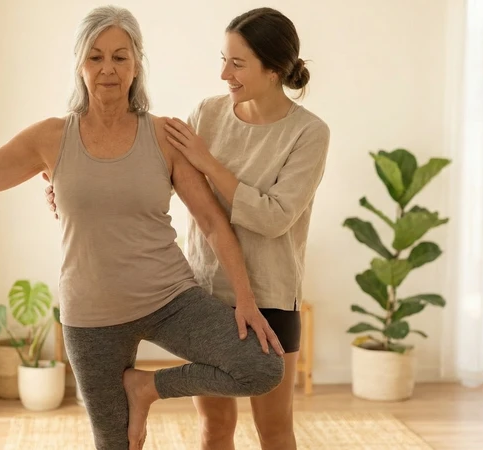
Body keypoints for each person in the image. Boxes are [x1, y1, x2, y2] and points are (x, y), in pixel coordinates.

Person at [0, 6, 286, 450]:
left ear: (137, 64)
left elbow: (212, 221)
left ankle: (145, 387)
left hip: (169, 299)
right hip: (92, 317)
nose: (108, 69)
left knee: (262, 366)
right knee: (116, 444)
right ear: (80, 64)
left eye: (120, 57)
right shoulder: (51, 138)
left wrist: (245, 299)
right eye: (95, 57)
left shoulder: (164, 135)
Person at [43, 7, 330, 450]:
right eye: (224, 59)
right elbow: (152, 182)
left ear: (273, 69)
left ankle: (148, 387)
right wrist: (75, 193)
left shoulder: (308, 133)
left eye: (237, 64)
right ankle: (146, 389)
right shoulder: (207, 114)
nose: (224, 74)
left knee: (274, 430)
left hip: (270, 293)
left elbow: (274, 217)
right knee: (214, 427)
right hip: (207, 290)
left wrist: (208, 163)